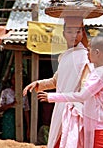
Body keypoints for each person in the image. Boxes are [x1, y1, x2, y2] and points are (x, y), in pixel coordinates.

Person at [38, 36, 103, 148]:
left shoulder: (100, 73)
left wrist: (52, 97)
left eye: (89, 50)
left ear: (97, 52)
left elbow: (82, 96)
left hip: (98, 128)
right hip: (102, 125)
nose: (87, 53)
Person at [23, 18, 89, 148]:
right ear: (64, 33)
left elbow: (85, 87)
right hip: (61, 108)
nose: (74, 35)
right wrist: (38, 84)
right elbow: (55, 81)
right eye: (70, 32)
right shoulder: (65, 56)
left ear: (82, 33)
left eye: (78, 31)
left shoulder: (85, 57)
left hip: (76, 111)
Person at [0, 73, 30, 140]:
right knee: (8, 140)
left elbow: (26, 110)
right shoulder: (6, 92)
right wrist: (11, 104)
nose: (16, 81)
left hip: (20, 118)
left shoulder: (24, 93)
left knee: (20, 139)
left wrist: (28, 127)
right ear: (11, 80)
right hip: (9, 119)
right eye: (14, 79)